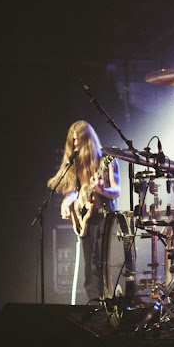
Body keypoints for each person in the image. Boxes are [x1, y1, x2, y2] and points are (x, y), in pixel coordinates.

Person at [47, 120, 121, 302]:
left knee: (105, 266)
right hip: (87, 220)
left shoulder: (106, 160)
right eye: (72, 141)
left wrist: (102, 190)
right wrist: (67, 201)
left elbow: (117, 190)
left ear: (88, 140)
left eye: (78, 140)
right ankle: (95, 305)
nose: (75, 145)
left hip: (105, 218)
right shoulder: (76, 164)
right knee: (90, 269)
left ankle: (110, 304)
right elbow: (75, 190)